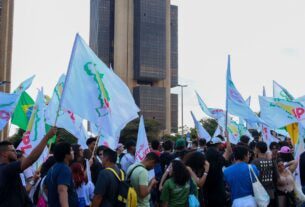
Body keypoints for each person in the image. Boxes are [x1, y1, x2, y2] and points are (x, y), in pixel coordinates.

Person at [0, 127, 56, 207]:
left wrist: (33, 179)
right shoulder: (5, 169)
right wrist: (46, 137)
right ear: (4, 154)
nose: (16, 152)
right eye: (13, 150)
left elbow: (23, 193)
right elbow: (31, 159)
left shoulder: (11, 172)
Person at [45, 142, 78, 207]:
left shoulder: (52, 168)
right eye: (71, 150)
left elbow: (46, 188)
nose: (73, 152)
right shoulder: (64, 168)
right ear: (66, 154)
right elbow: (62, 190)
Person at [203, 136, 232, 207]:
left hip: (207, 193)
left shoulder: (204, 160)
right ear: (218, 144)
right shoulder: (219, 158)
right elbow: (229, 151)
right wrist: (227, 136)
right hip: (219, 192)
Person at [252, 141, 278, 207]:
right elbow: (277, 177)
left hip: (260, 194)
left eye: (255, 148)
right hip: (271, 193)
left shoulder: (254, 162)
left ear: (257, 149)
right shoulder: (272, 161)